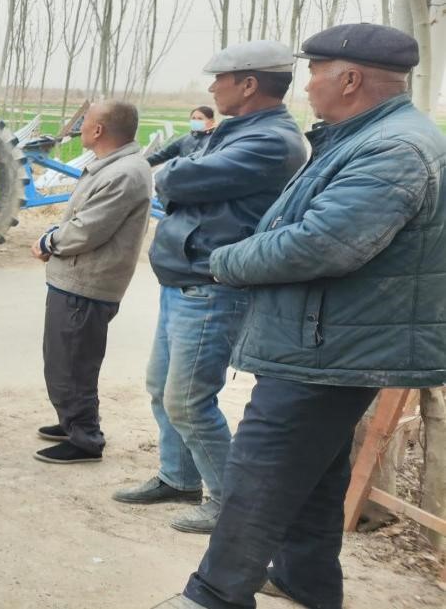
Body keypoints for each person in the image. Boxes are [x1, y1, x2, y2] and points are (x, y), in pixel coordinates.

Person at [158, 25, 446, 608]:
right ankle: (305, 581)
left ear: (350, 78)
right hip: (332, 337)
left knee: (258, 472)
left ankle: (214, 595)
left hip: (329, 344)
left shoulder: (393, 148)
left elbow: (322, 243)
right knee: (315, 472)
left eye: (314, 71)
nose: (307, 84)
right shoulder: (367, 136)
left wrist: (225, 260)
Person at [114, 41, 308, 534]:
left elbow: (178, 178)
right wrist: (183, 169)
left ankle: (229, 503)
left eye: (219, 79)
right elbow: (185, 167)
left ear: (249, 84)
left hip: (212, 285)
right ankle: (179, 478)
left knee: (189, 400)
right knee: (162, 389)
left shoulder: (270, 140)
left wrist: (177, 173)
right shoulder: (236, 130)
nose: (212, 88)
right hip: (186, 278)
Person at [30, 101, 153, 464]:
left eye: (85, 122)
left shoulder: (125, 173)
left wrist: (48, 242)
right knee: (64, 359)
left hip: (87, 283)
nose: (80, 126)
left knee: (73, 364)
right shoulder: (114, 166)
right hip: (76, 278)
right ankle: (72, 421)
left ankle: (85, 439)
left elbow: (88, 229)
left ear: (98, 130)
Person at [145, 106, 216, 166]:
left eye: (200, 119)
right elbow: (163, 155)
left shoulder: (215, 140)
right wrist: (143, 164)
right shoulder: (185, 139)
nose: (196, 121)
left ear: (211, 121)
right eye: (193, 118)